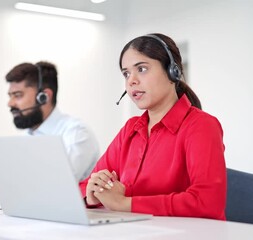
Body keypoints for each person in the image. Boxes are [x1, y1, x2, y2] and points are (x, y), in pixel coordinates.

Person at [80, 33, 226, 220]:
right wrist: (92, 195)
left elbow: (207, 202)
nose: (131, 81)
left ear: (173, 71)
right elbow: (85, 185)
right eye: (126, 73)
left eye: (141, 69)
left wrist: (125, 204)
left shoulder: (201, 126)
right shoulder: (131, 129)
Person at [0, 61, 100, 193]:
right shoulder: (28, 137)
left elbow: (57, 187)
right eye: (10, 96)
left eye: (17, 95)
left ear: (44, 97)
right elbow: (21, 185)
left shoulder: (77, 133)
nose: (10, 103)